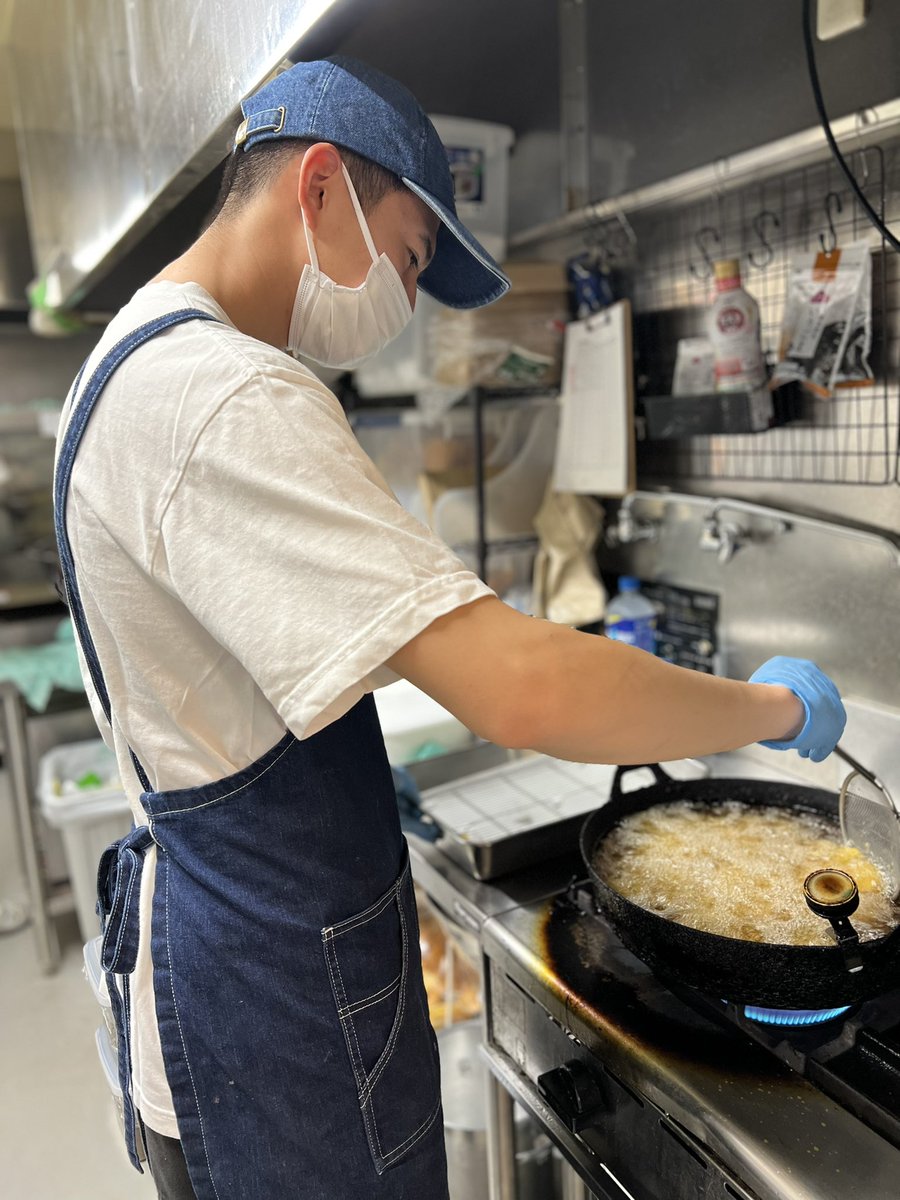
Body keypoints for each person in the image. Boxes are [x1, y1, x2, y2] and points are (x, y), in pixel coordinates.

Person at [54, 56, 845, 1200]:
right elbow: (519, 690)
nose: (403, 304)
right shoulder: (221, 395)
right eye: (411, 258)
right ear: (317, 186)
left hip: (236, 961)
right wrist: (771, 710)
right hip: (277, 1012)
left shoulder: (133, 358)